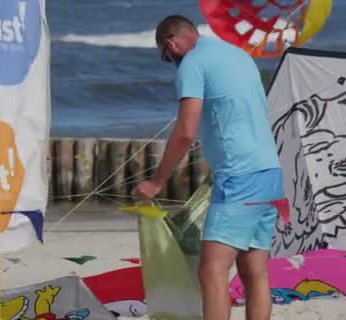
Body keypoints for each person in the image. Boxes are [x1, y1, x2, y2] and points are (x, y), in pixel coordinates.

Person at [135, 15, 283, 320]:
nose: (171, 62)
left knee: (211, 270)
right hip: (269, 172)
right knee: (254, 271)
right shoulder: (236, 54)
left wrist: (157, 181)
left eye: (167, 58)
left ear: (171, 44)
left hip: (239, 176)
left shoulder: (191, 63)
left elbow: (186, 132)